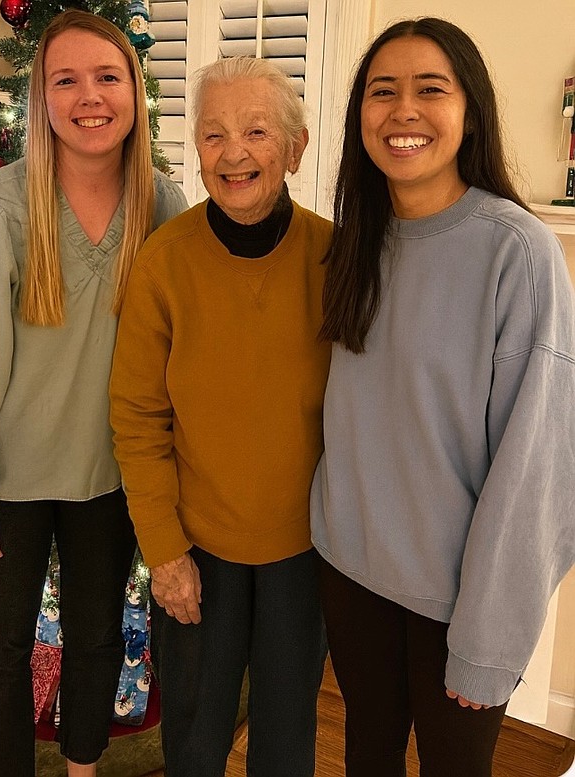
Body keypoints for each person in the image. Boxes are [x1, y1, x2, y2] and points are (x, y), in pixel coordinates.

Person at [0, 10, 186, 777]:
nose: (88, 96)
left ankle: (83, 768)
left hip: (110, 476)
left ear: (136, 92)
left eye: (107, 77)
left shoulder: (165, 209)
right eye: (65, 79)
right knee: (0, 646)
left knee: (97, 637)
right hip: (4, 487)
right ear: (41, 99)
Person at [310, 16, 575, 777]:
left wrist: (487, 639)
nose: (403, 111)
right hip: (352, 573)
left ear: (470, 111)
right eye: (381, 91)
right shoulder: (353, 242)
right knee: (367, 757)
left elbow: (539, 471)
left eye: (431, 89)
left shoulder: (516, 252)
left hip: (458, 604)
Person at [109, 56, 331, 777]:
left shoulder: (337, 258)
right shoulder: (164, 261)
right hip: (197, 551)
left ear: (294, 149)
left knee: (287, 742)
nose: (234, 153)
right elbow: (137, 415)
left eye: (257, 131)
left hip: (308, 551)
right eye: (214, 135)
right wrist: (165, 552)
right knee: (196, 742)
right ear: (197, 150)